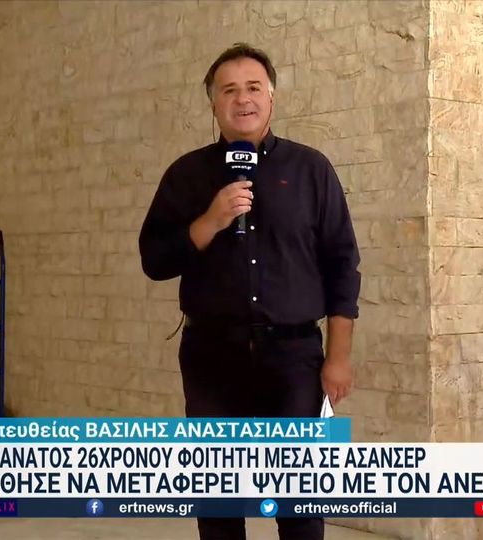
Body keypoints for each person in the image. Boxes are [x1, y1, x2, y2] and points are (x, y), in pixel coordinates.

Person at [138, 43, 361, 540]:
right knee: (219, 500)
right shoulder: (186, 175)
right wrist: (211, 220)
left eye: (254, 88)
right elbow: (154, 260)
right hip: (212, 357)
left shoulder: (311, 170)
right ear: (213, 104)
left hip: (295, 358)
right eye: (229, 90)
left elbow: (343, 264)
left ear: (271, 98)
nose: (243, 99)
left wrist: (339, 357)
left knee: (300, 502)